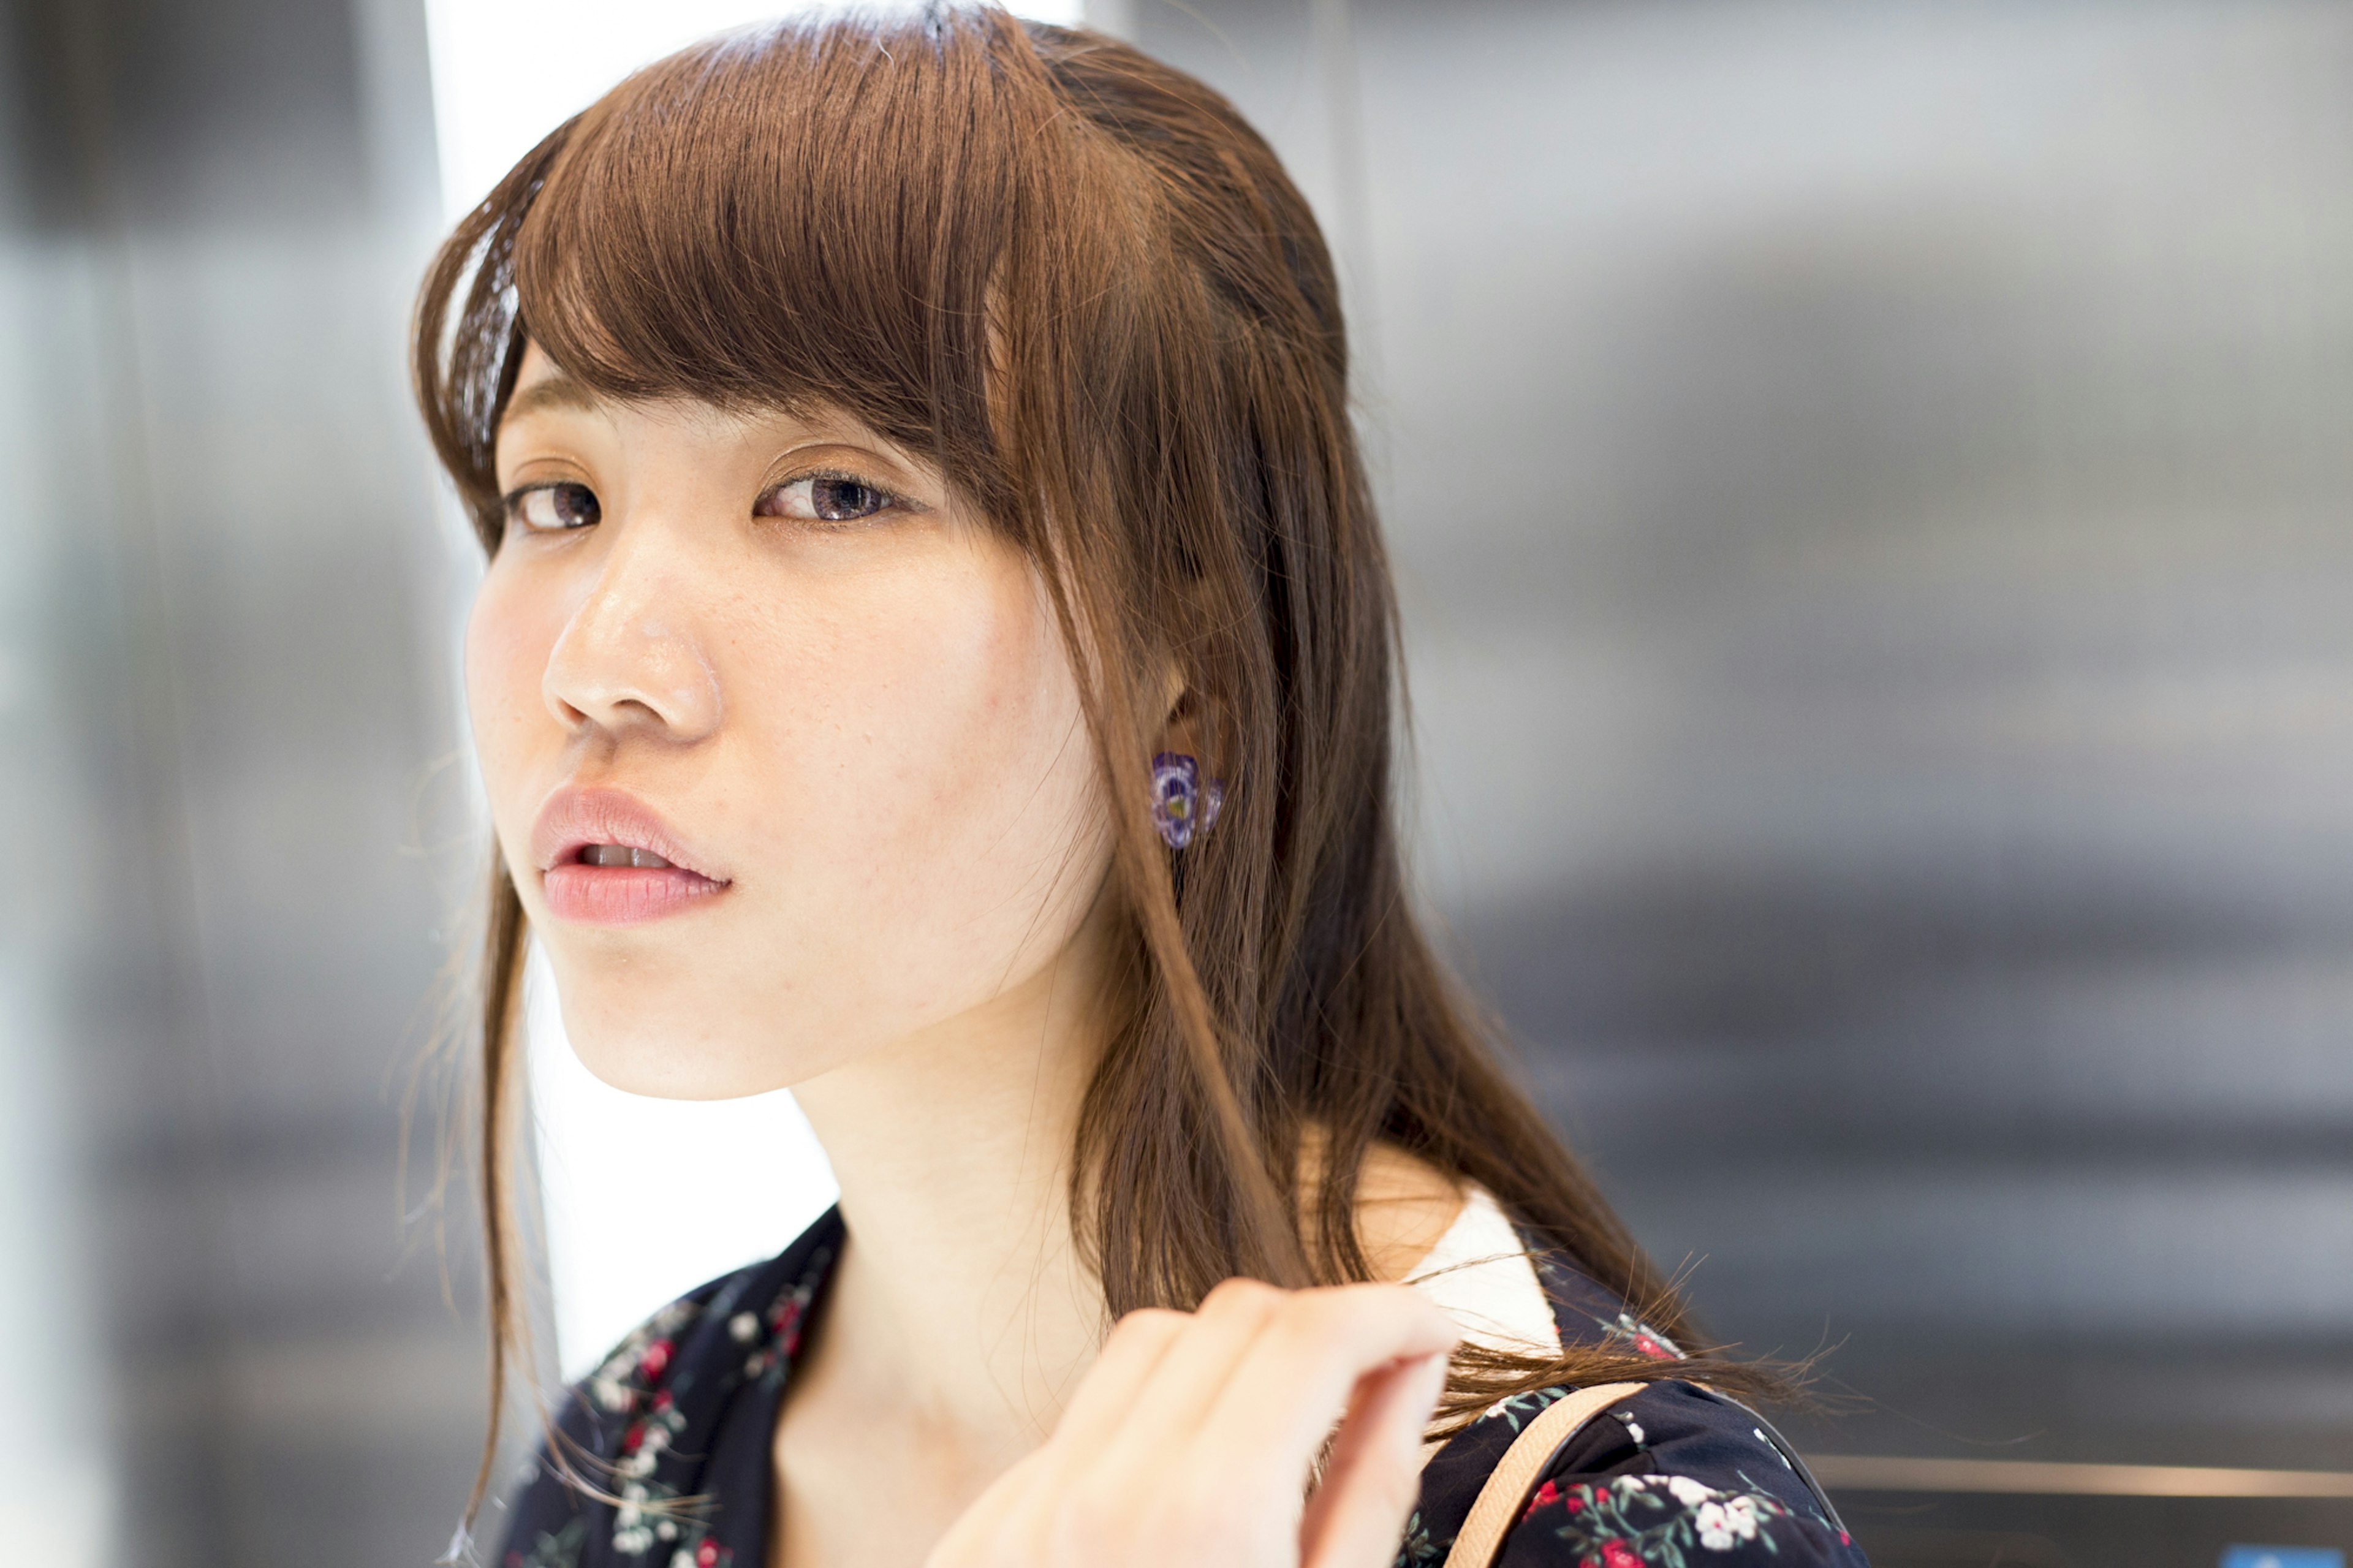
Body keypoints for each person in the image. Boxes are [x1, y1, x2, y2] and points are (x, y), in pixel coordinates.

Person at [411, 8, 1868, 1566]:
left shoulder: (1596, 1527)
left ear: (1189, 663)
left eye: (832, 491)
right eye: (557, 496)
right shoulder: (632, 1457)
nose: (601, 662)